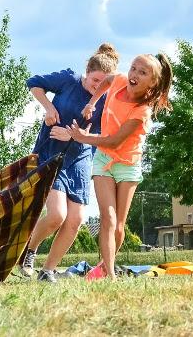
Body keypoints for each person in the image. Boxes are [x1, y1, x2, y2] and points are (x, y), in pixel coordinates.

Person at [19, 43, 119, 283]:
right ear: (87, 71)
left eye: (104, 84)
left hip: (80, 160)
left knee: (75, 220)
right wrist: (49, 107)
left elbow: (102, 135)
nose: (98, 87)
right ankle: (28, 250)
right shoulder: (68, 80)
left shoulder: (106, 102)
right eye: (95, 80)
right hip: (51, 155)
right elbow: (33, 83)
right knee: (57, 215)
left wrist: (72, 135)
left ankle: (48, 270)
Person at [68, 53, 173, 279]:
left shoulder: (142, 111)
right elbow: (107, 80)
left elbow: (115, 141)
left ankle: (104, 267)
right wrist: (91, 103)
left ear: (152, 82)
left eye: (142, 73)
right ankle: (110, 276)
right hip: (104, 159)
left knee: (118, 226)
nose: (134, 74)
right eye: (133, 68)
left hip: (128, 165)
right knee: (108, 218)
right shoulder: (120, 81)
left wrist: (83, 137)